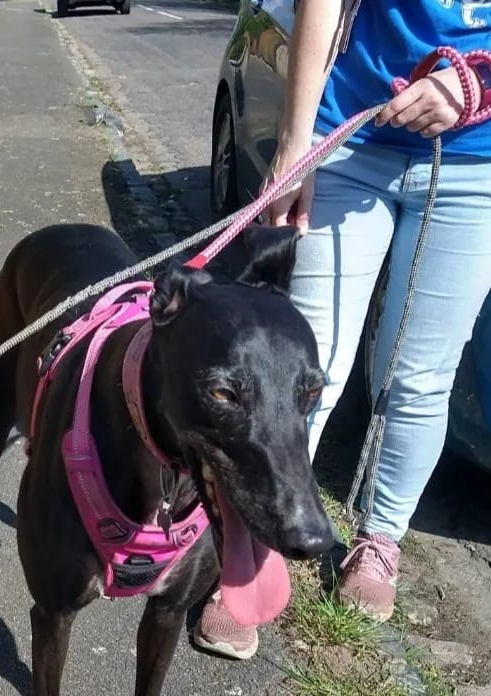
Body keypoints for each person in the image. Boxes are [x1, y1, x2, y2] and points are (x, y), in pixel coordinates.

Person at [195, 0, 491, 660]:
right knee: (303, 369)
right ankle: (252, 553)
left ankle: (379, 541)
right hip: (352, 138)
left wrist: (475, 82)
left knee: (416, 379)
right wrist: (296, 147)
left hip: (479, 163)